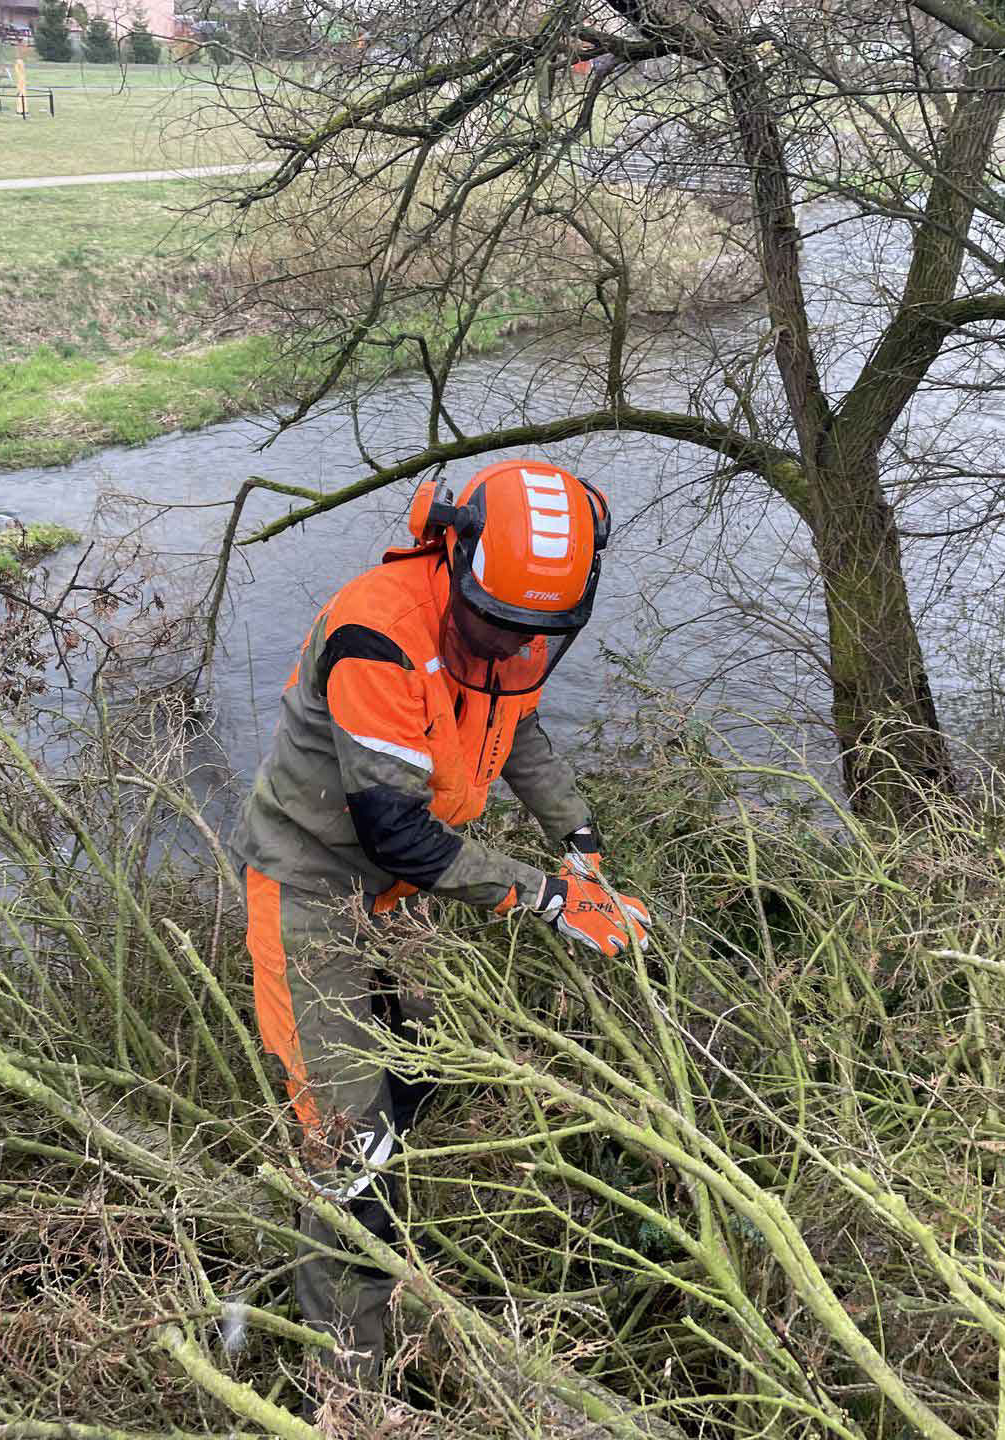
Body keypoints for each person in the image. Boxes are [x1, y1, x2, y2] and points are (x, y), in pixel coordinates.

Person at [234, 457, 652, 1390]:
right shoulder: (377, 631)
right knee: (354, 1152)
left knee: (417, 1076)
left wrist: (578, 842)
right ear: (452, 555)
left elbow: (523, 728)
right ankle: (352, 1388)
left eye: (531, 631)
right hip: (312, 891)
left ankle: (377, 1259)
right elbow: (400, 833)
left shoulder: (515, 633)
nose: (507, 645)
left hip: (394, 902)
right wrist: (547, 897)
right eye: (492, 622)